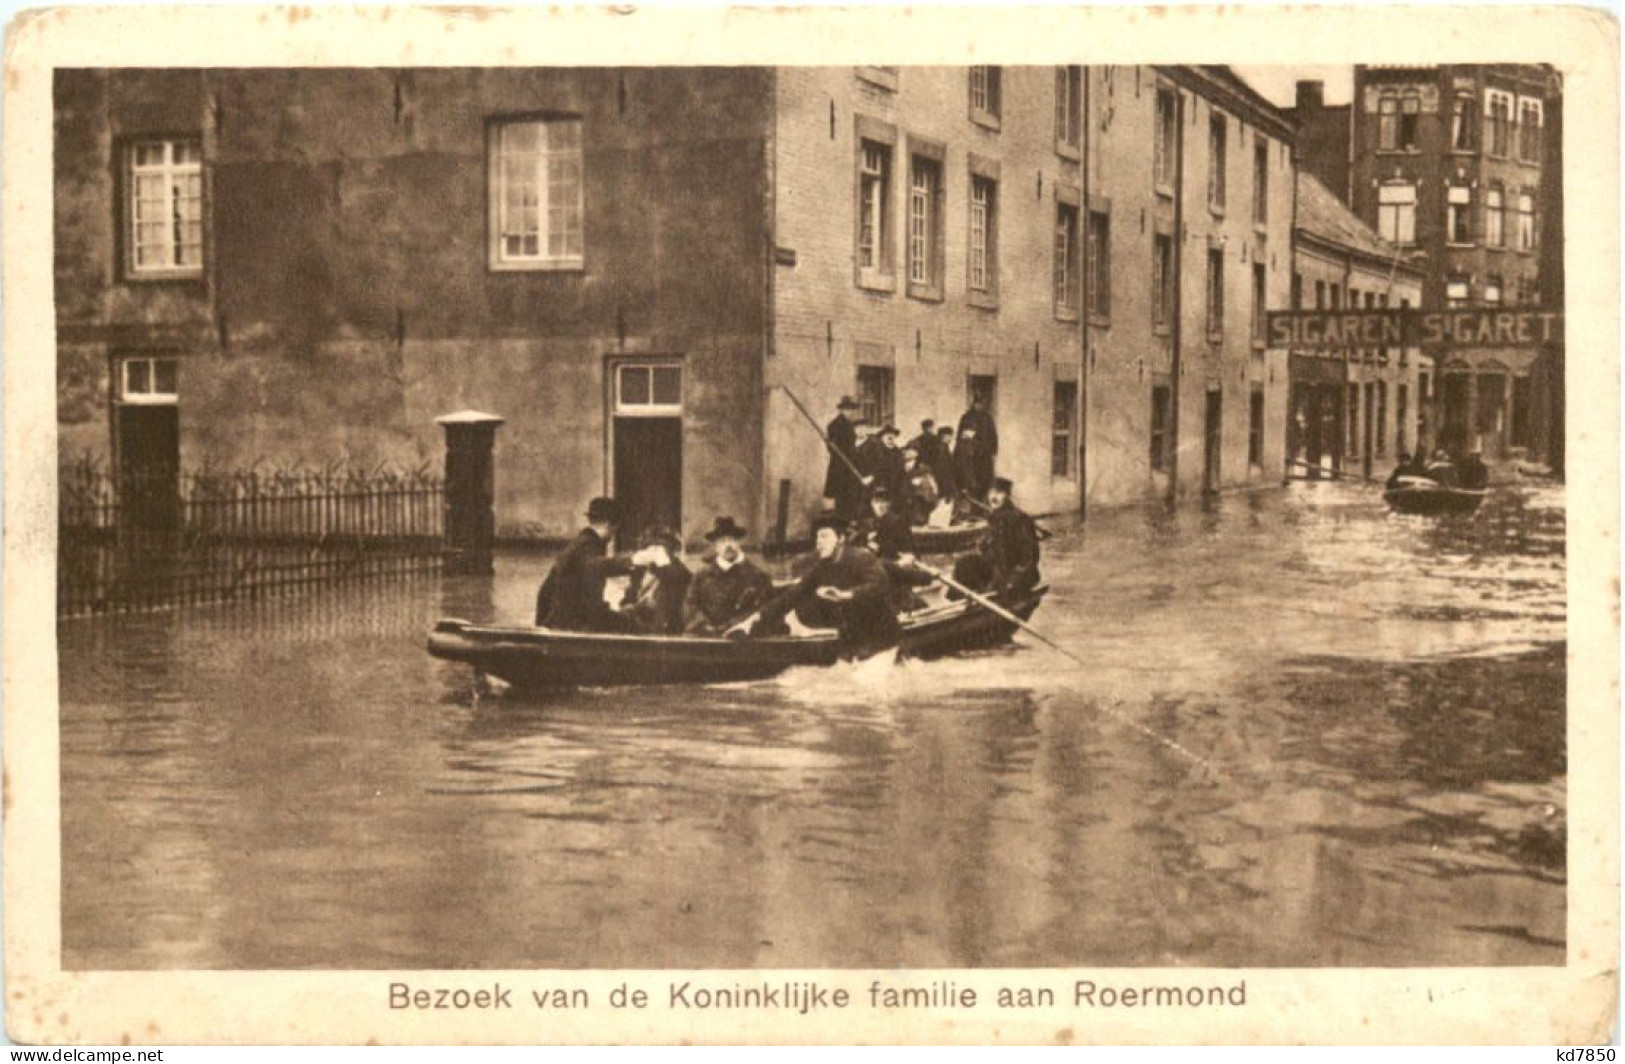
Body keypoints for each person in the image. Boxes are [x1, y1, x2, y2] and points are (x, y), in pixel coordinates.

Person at [739, 514, 899, 654]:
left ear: (841, 538)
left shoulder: (862, 557)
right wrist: (754, 619)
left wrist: (846, 594)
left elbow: (879, 585)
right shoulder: (821, 568)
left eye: (824, 536)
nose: (818, 543)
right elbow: (792, 596)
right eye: (817, 537)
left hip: (882, 636)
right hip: (854, 638)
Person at [534, 497, 637, 631]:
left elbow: (545, 592)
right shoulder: (588, 545)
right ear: (608, 524)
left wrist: (543, 626)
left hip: (561, 624)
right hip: (571, 628)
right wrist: (634, 560)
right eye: (614, 531)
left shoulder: (578, 544)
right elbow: (596, 566)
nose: (612, 538)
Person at [683, 516, 775, 635]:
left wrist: (735, 625)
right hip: (707, 639)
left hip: (743, 639)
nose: (728, 545)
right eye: (722, 541)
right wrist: (704, 625)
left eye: (732, 540)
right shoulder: (701, 576)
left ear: (739, 542)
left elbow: (762, 608)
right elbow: (691, 604)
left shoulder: (757, 576)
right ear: (716, 547)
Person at [952, 476, 1041, 596]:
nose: (993, 497)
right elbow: (987, 549)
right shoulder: (993, 517)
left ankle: (987, 596)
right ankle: (960, 601)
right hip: (997, 569)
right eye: (991, 492)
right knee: (963, 563)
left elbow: (1029, 557)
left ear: (1007, 496)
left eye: (998, 493)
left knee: (998, 584)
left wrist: (1013, 581)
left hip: (1015, 573)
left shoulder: (1020, 519)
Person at [619, 526, 692, 635]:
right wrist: (627, 605)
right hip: (639, 628)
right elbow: (629, 597)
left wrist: (663, 564)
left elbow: (675, 583)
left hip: (666, 630)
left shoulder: (680, 571)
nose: (654, 551)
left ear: (673, 551)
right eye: (650, 547)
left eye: (661, 547)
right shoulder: (641, 571)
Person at [823, 395, 868, 522]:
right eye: (848, 409)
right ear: (841, 410)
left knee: (851, 498)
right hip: (840, 467)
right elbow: (834, 449)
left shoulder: (851, 425)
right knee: (842, 497)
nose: (851, 412)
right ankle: (842, 525)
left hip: (850, 466)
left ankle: (848, 524)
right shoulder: (835, 425)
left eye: (852, 409)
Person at [955, 393, 999, 500]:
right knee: (972, 480)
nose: (978, 406)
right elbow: (961, 437)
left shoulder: (987, 418)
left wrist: (993, 450)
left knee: (986, 480)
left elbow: (993, 435)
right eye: (977, 404)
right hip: (972, 456)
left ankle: (982, 504)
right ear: (973, 404)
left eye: (980, 404)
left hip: (985, 454)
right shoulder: (966, 417)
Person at [900, 446, 941, 525]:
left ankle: (921, 520)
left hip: (922, 497)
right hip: (908, 497)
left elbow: (932, 483)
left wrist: (922, 482)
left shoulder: (923, 468)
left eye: (911, 460)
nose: (908, 463)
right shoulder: (901, 468)